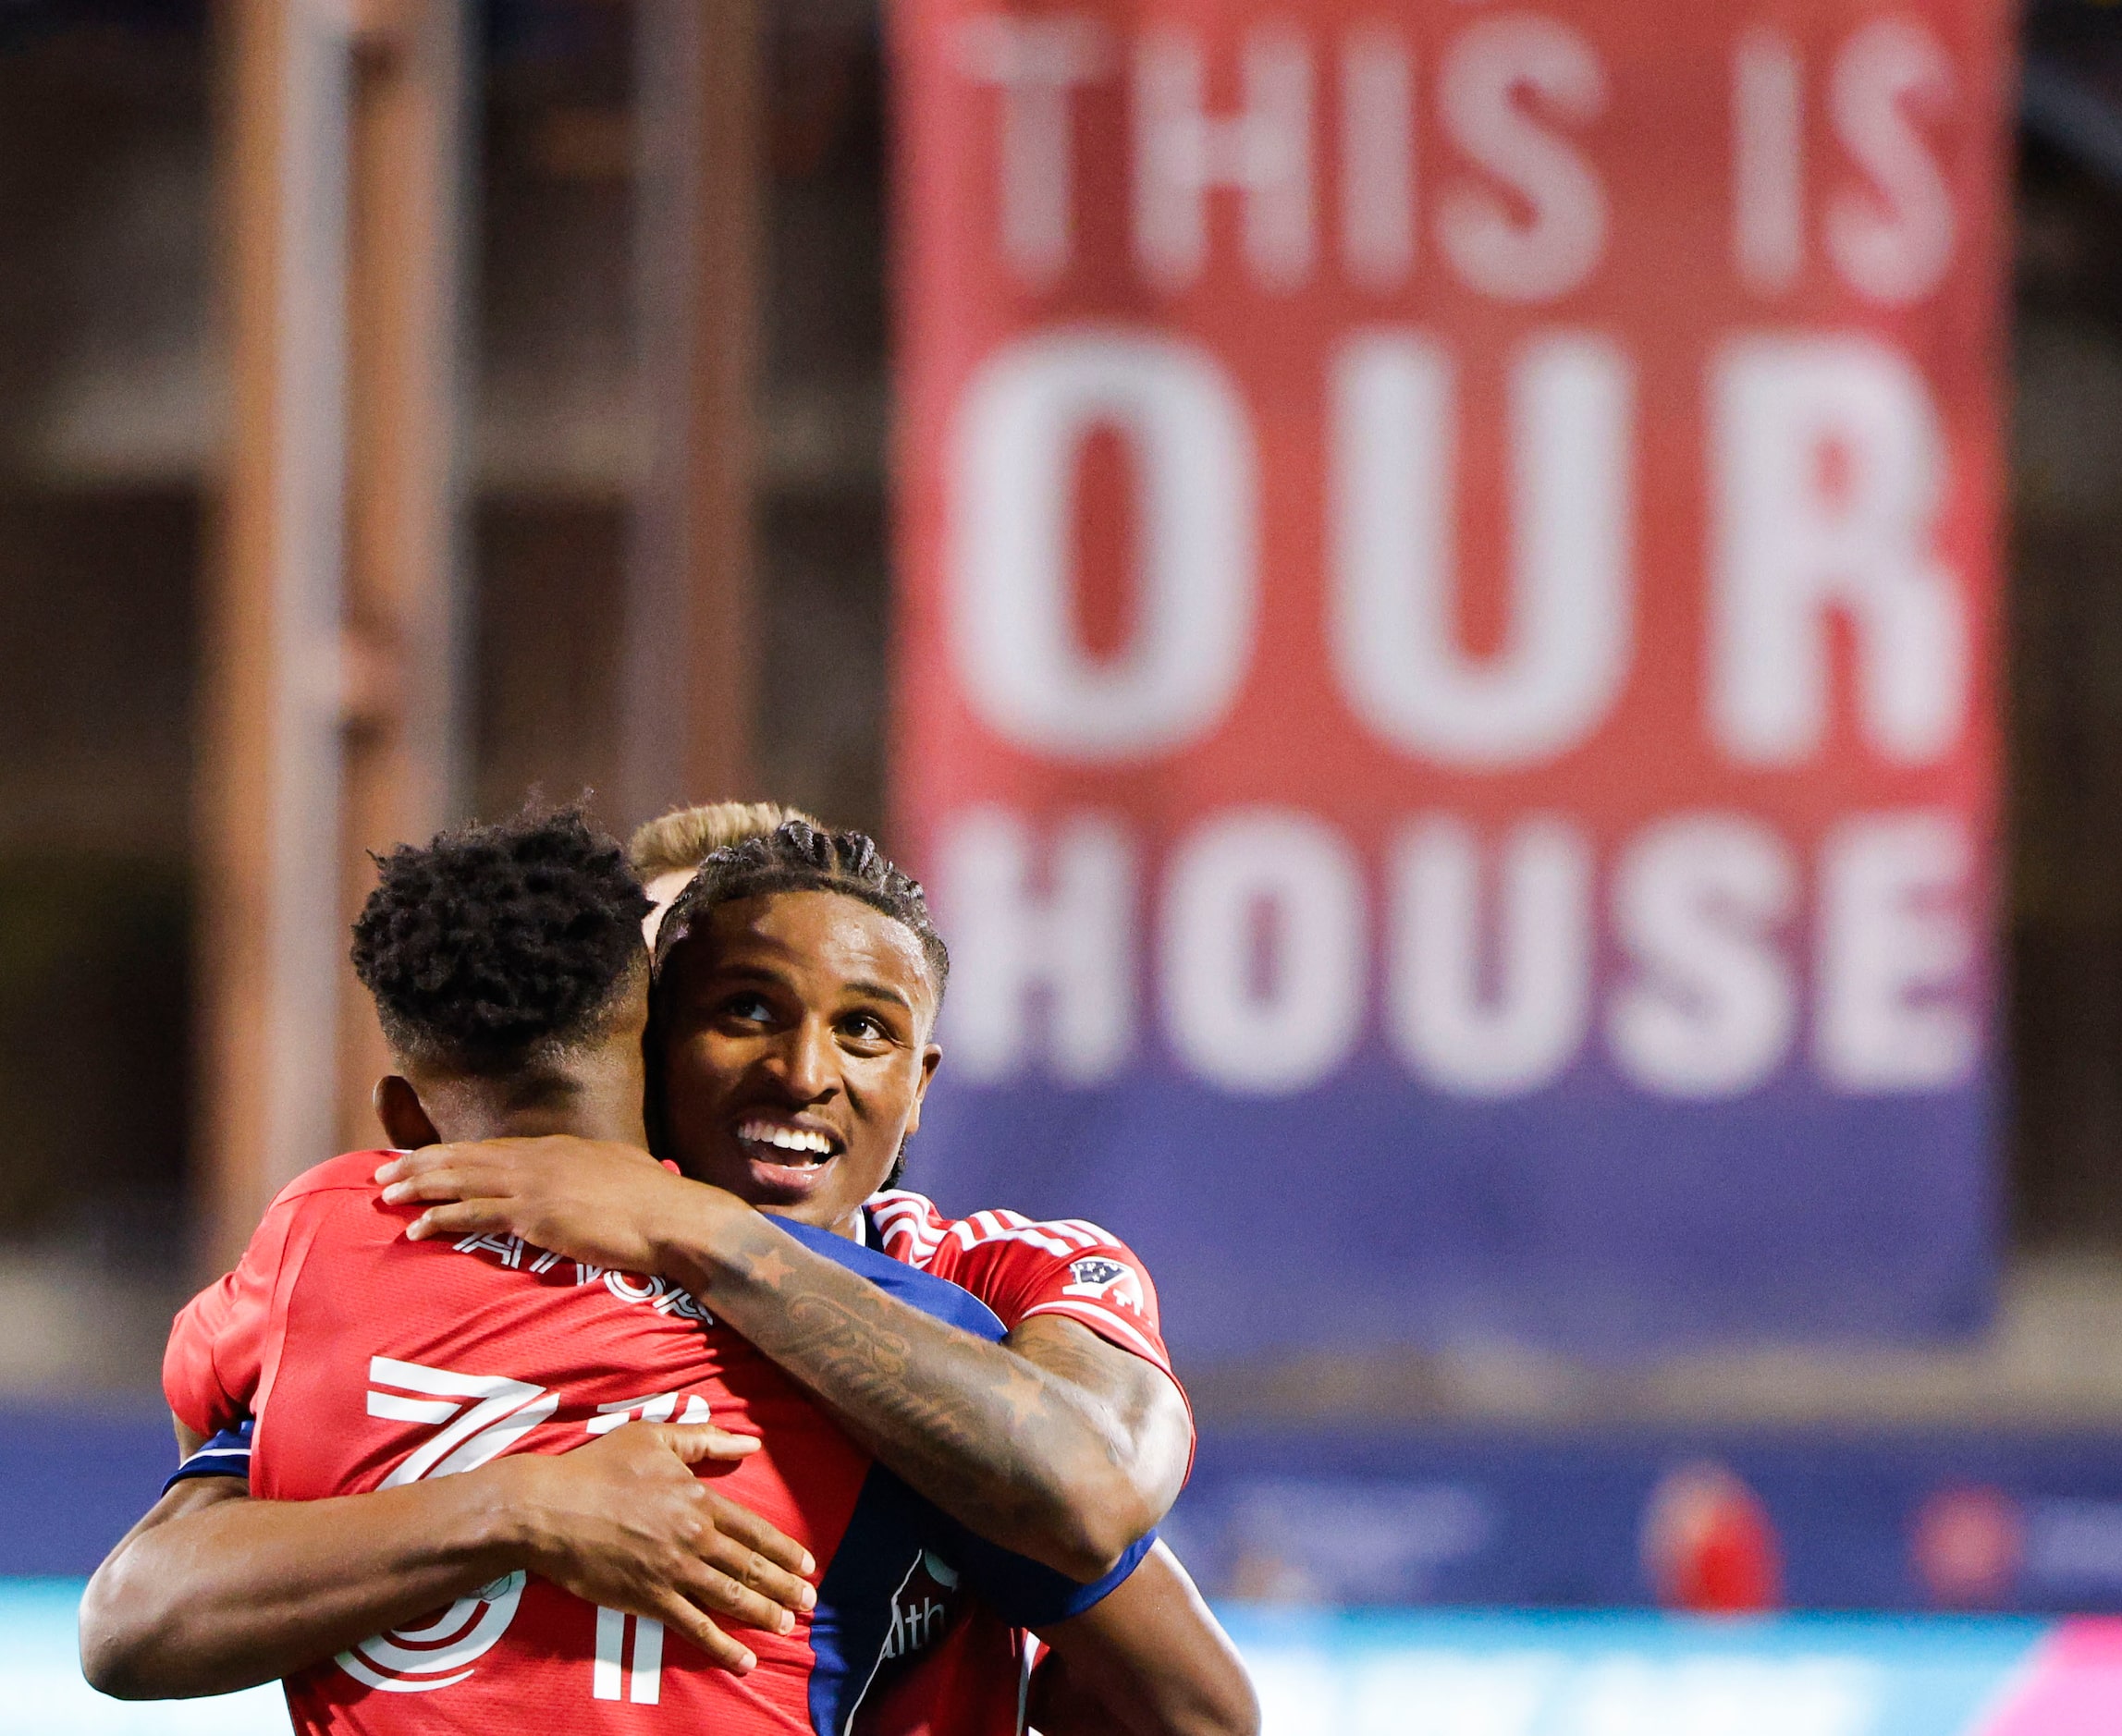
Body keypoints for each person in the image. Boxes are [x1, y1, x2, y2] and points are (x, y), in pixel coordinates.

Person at [87, 813, 1255, 1736]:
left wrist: (697, 1230)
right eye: (740, 1009)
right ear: (642, 1049)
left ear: (922, 1079)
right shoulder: (426, 1260)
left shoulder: (979, 1285)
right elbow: (138, 1612)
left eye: (863, 1028)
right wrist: (518, 1507)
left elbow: (1121, 1548)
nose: (800, 1072)